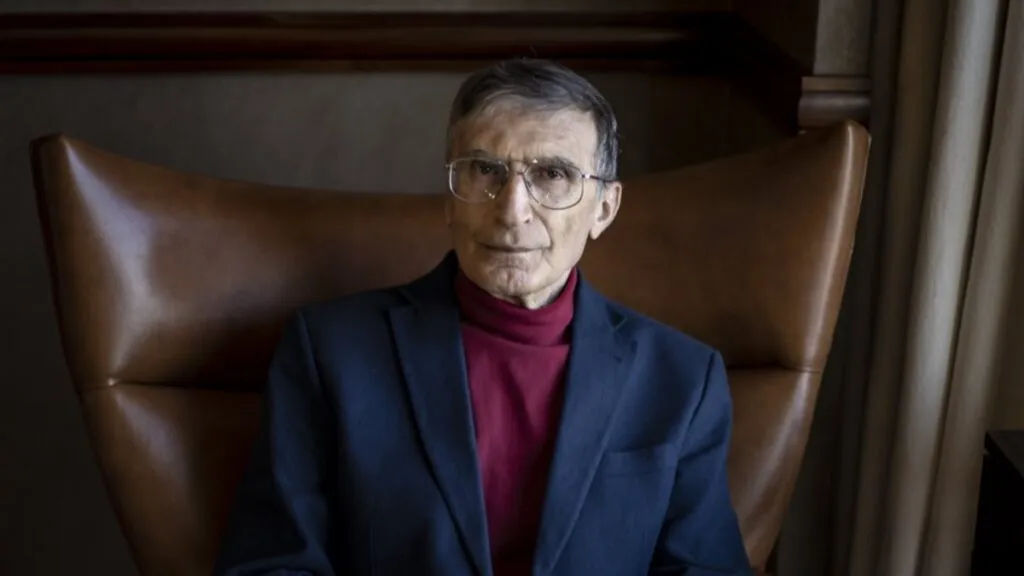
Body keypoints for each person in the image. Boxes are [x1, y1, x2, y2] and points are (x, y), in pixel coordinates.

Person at [214, 58, 751, 576]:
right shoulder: (331, 352)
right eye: (484, 170)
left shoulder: (682, 379)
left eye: (553, 174)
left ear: (603, 209)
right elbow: (271, 564)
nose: (512, 209)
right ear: (451, 198)